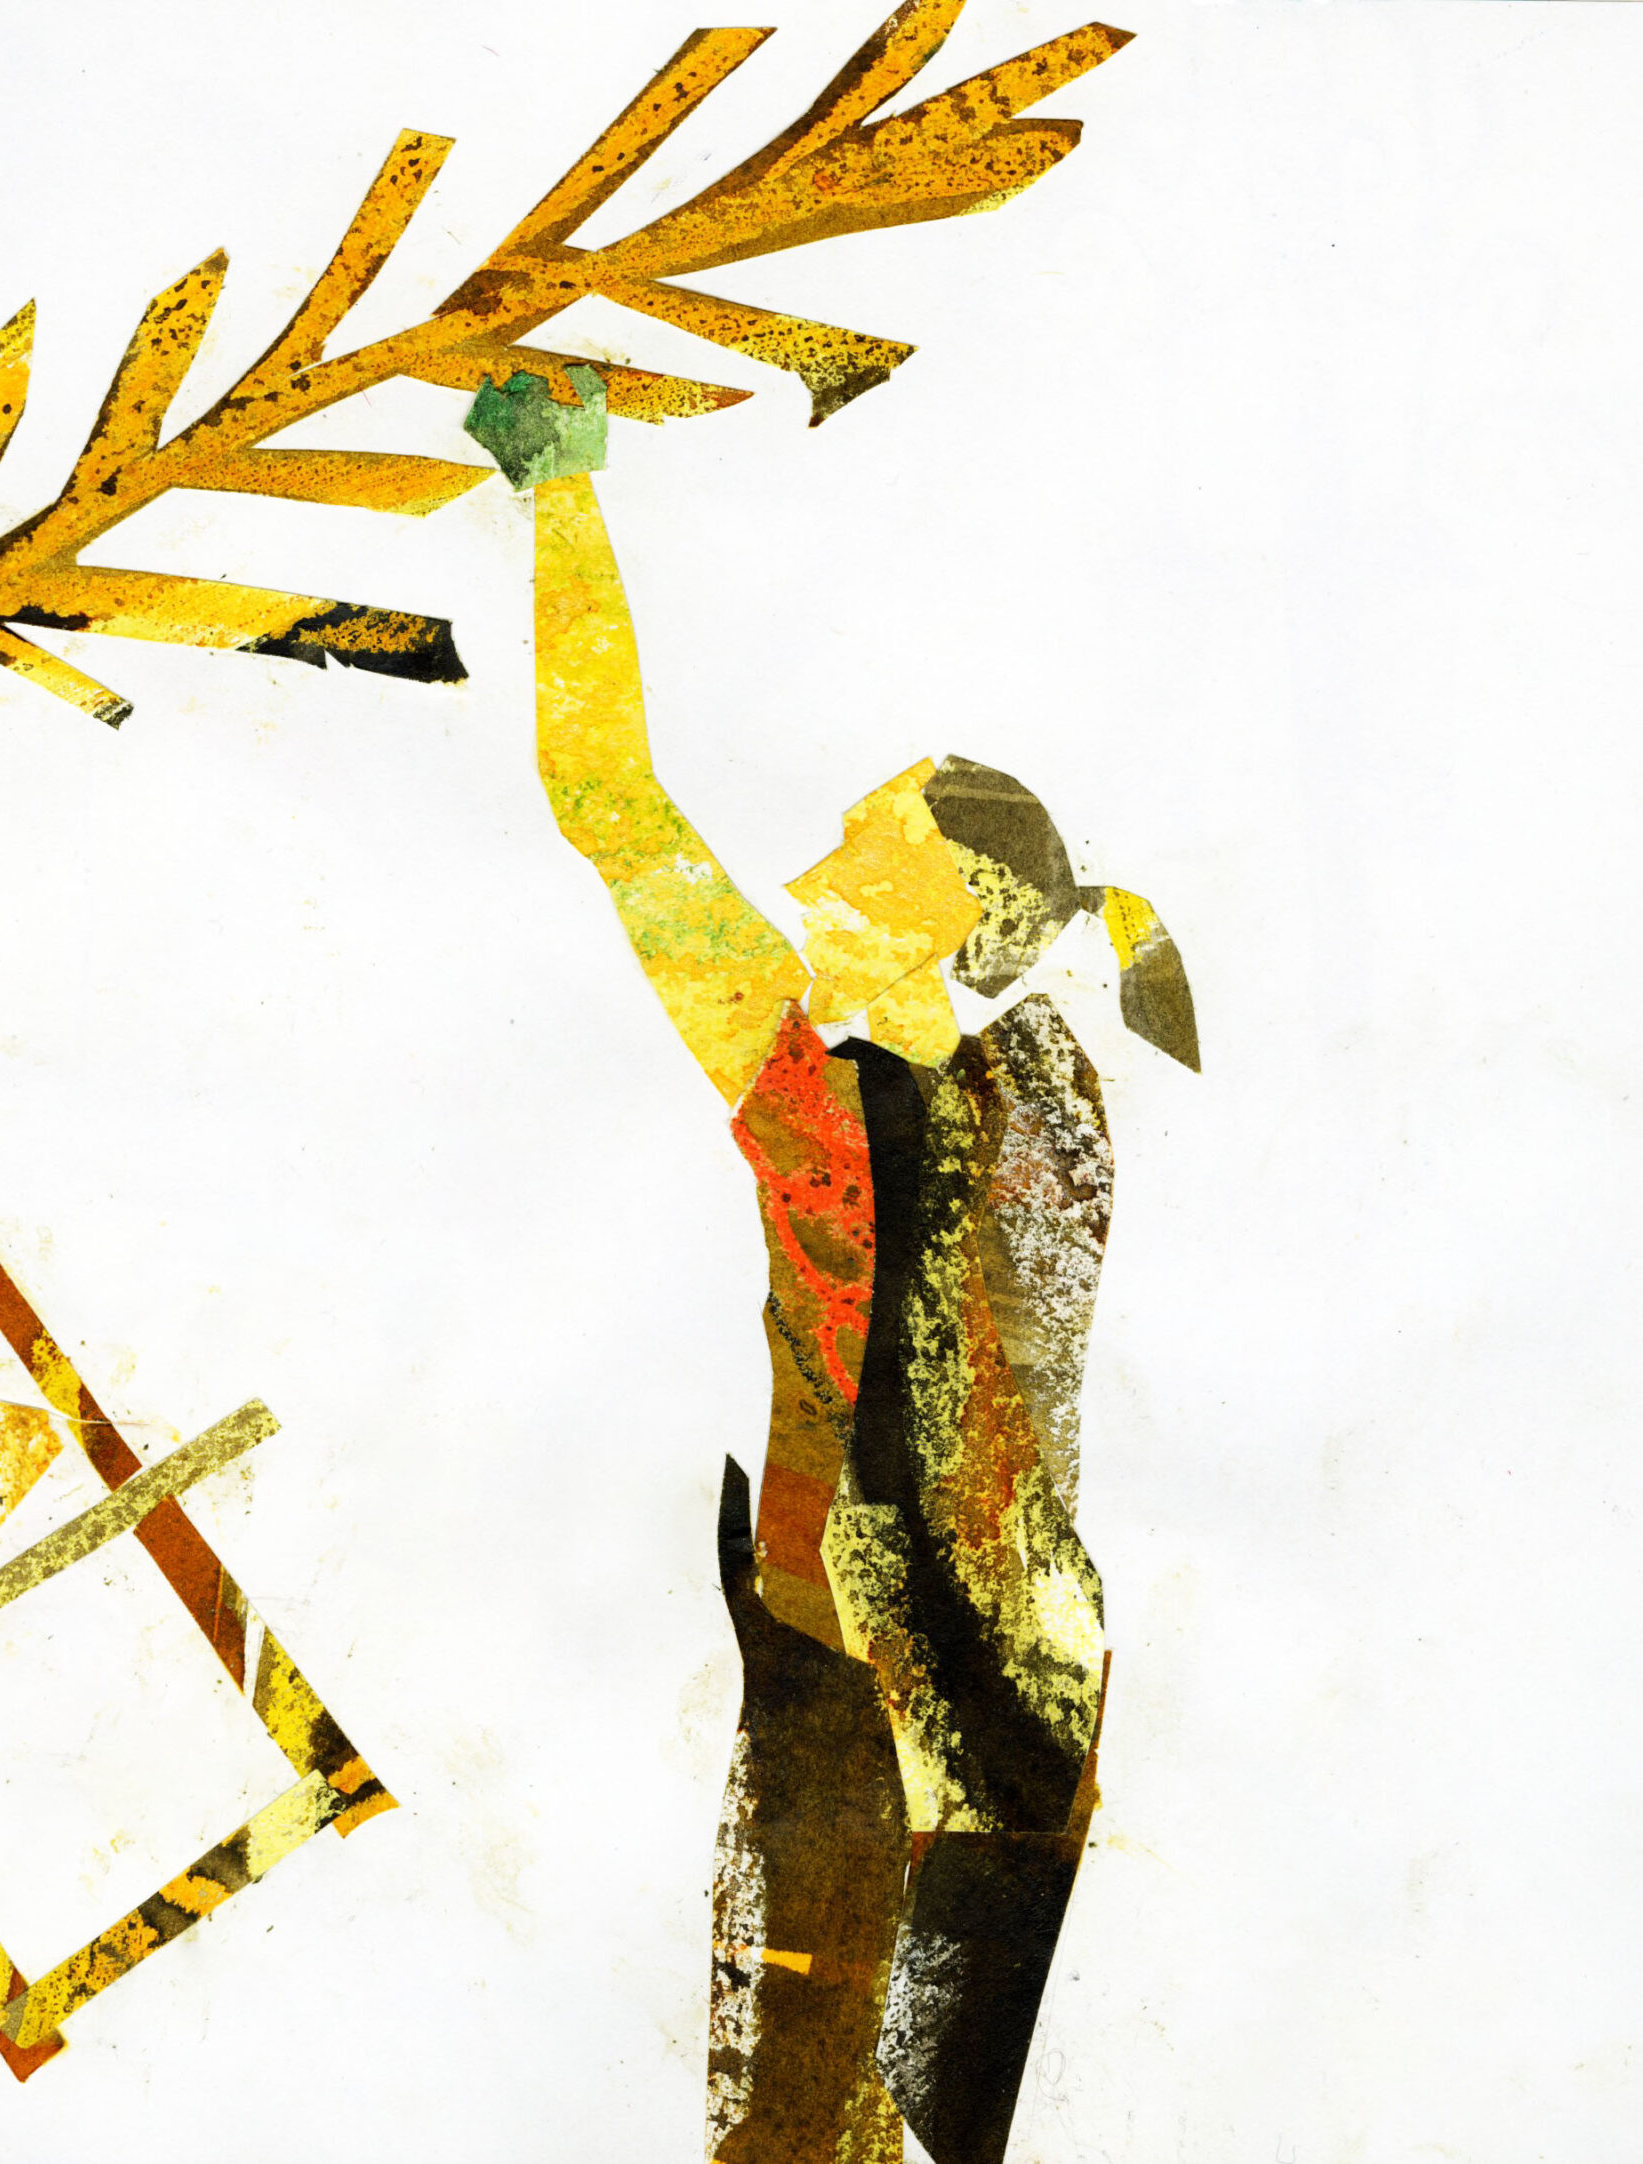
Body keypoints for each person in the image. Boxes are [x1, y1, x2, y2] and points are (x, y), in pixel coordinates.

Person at [466, 370, 1195, 2164]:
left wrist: (563, 494)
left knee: (817, 2128)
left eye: (863, 847)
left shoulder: (861, 1114)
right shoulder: (1027, 1098)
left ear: (954, 913)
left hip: (887, 1697)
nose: (809, 867)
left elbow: (616, 806)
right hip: (975, 1697)